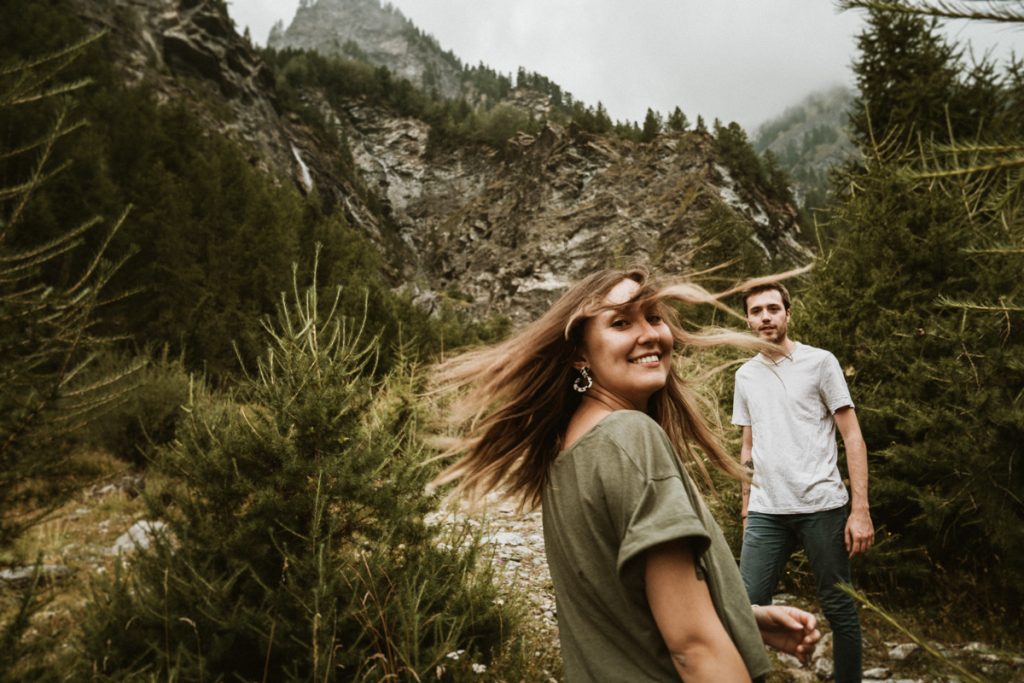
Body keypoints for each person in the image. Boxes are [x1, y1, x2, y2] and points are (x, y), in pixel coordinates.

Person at [432, 268, 820, 682]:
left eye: (653, 316)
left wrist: (744, 617)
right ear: (579, 354)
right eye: (621, 322)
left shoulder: (571, 451)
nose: (650, 333)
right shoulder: (629, 437)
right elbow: (693, 647)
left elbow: (625, 605)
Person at [732, 282, 874, 683]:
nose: (765, 317)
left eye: (773, 308)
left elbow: (852, 436)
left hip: (822, 506)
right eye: (756, 310)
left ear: (787, 314)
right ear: (748, 318)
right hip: (766, 511)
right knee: (744, 607)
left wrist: (860, 510)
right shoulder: (745, 376)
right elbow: (748, 447)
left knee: (839, 604)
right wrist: (746, 509)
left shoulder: (820, 363)